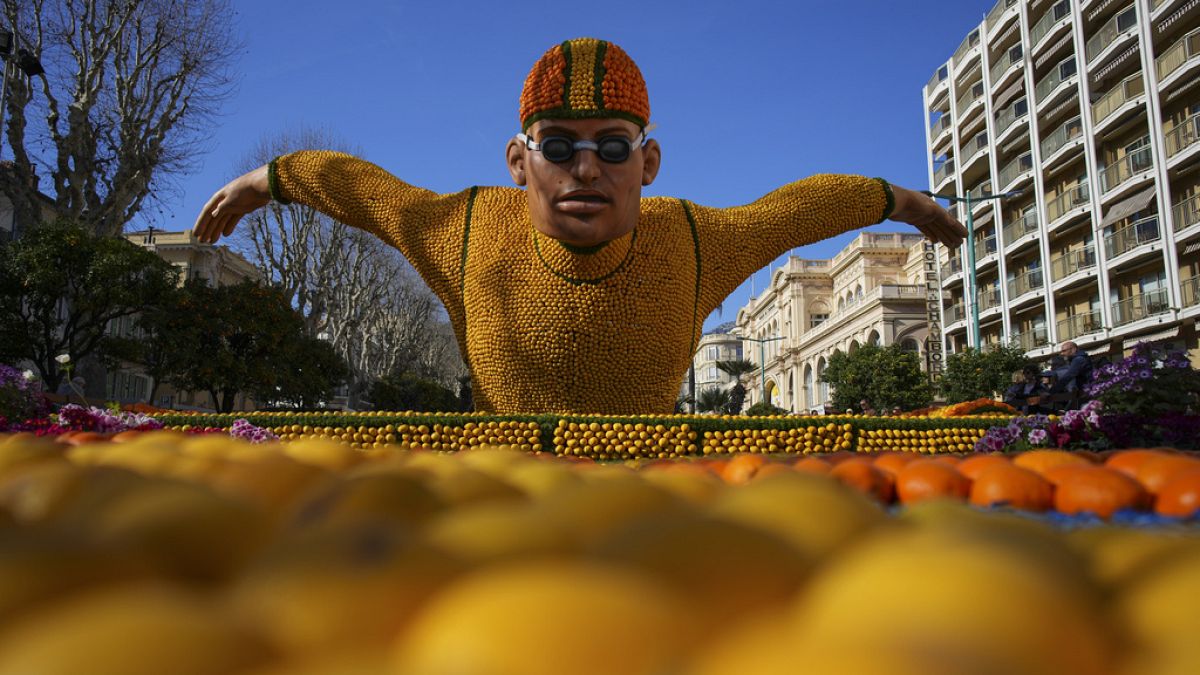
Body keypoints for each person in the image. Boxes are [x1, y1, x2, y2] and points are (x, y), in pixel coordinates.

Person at [192, 38, 966, 415]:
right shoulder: (466, 230)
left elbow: (795, 209)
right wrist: (272, 179)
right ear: (518, 162)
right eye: (559, 146)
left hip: (653, 513)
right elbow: (370, 191)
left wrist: (903, 202)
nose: (587, 168)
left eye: (612, 146)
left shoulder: (690, 238)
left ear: (649, 161)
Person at [1046, 341, 1093, 405]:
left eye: (1064, 351)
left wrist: (1051, 392)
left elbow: (1068, 376)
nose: (1062, 353)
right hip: (1086, 391)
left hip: (1088, 392)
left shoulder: (1078, 359)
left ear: (1073, 349)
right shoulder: (1077, 359)